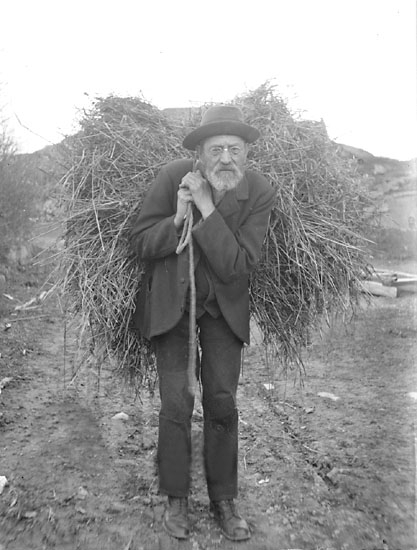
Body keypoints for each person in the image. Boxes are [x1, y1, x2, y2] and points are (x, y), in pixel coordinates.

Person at [129, 105, 275, 541]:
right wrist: (176, 217)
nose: (226, 158)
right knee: (176, 403)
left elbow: (238, 266)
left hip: (223, 310)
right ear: (199, 153)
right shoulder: (173, 176)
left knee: (222, 402)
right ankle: (176, 496)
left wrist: (207, 208)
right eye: (217, 149)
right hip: (173, 306)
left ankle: (223, 499)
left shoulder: (258, 191)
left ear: (247, 153)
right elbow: (140, 243)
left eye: (235, 149)